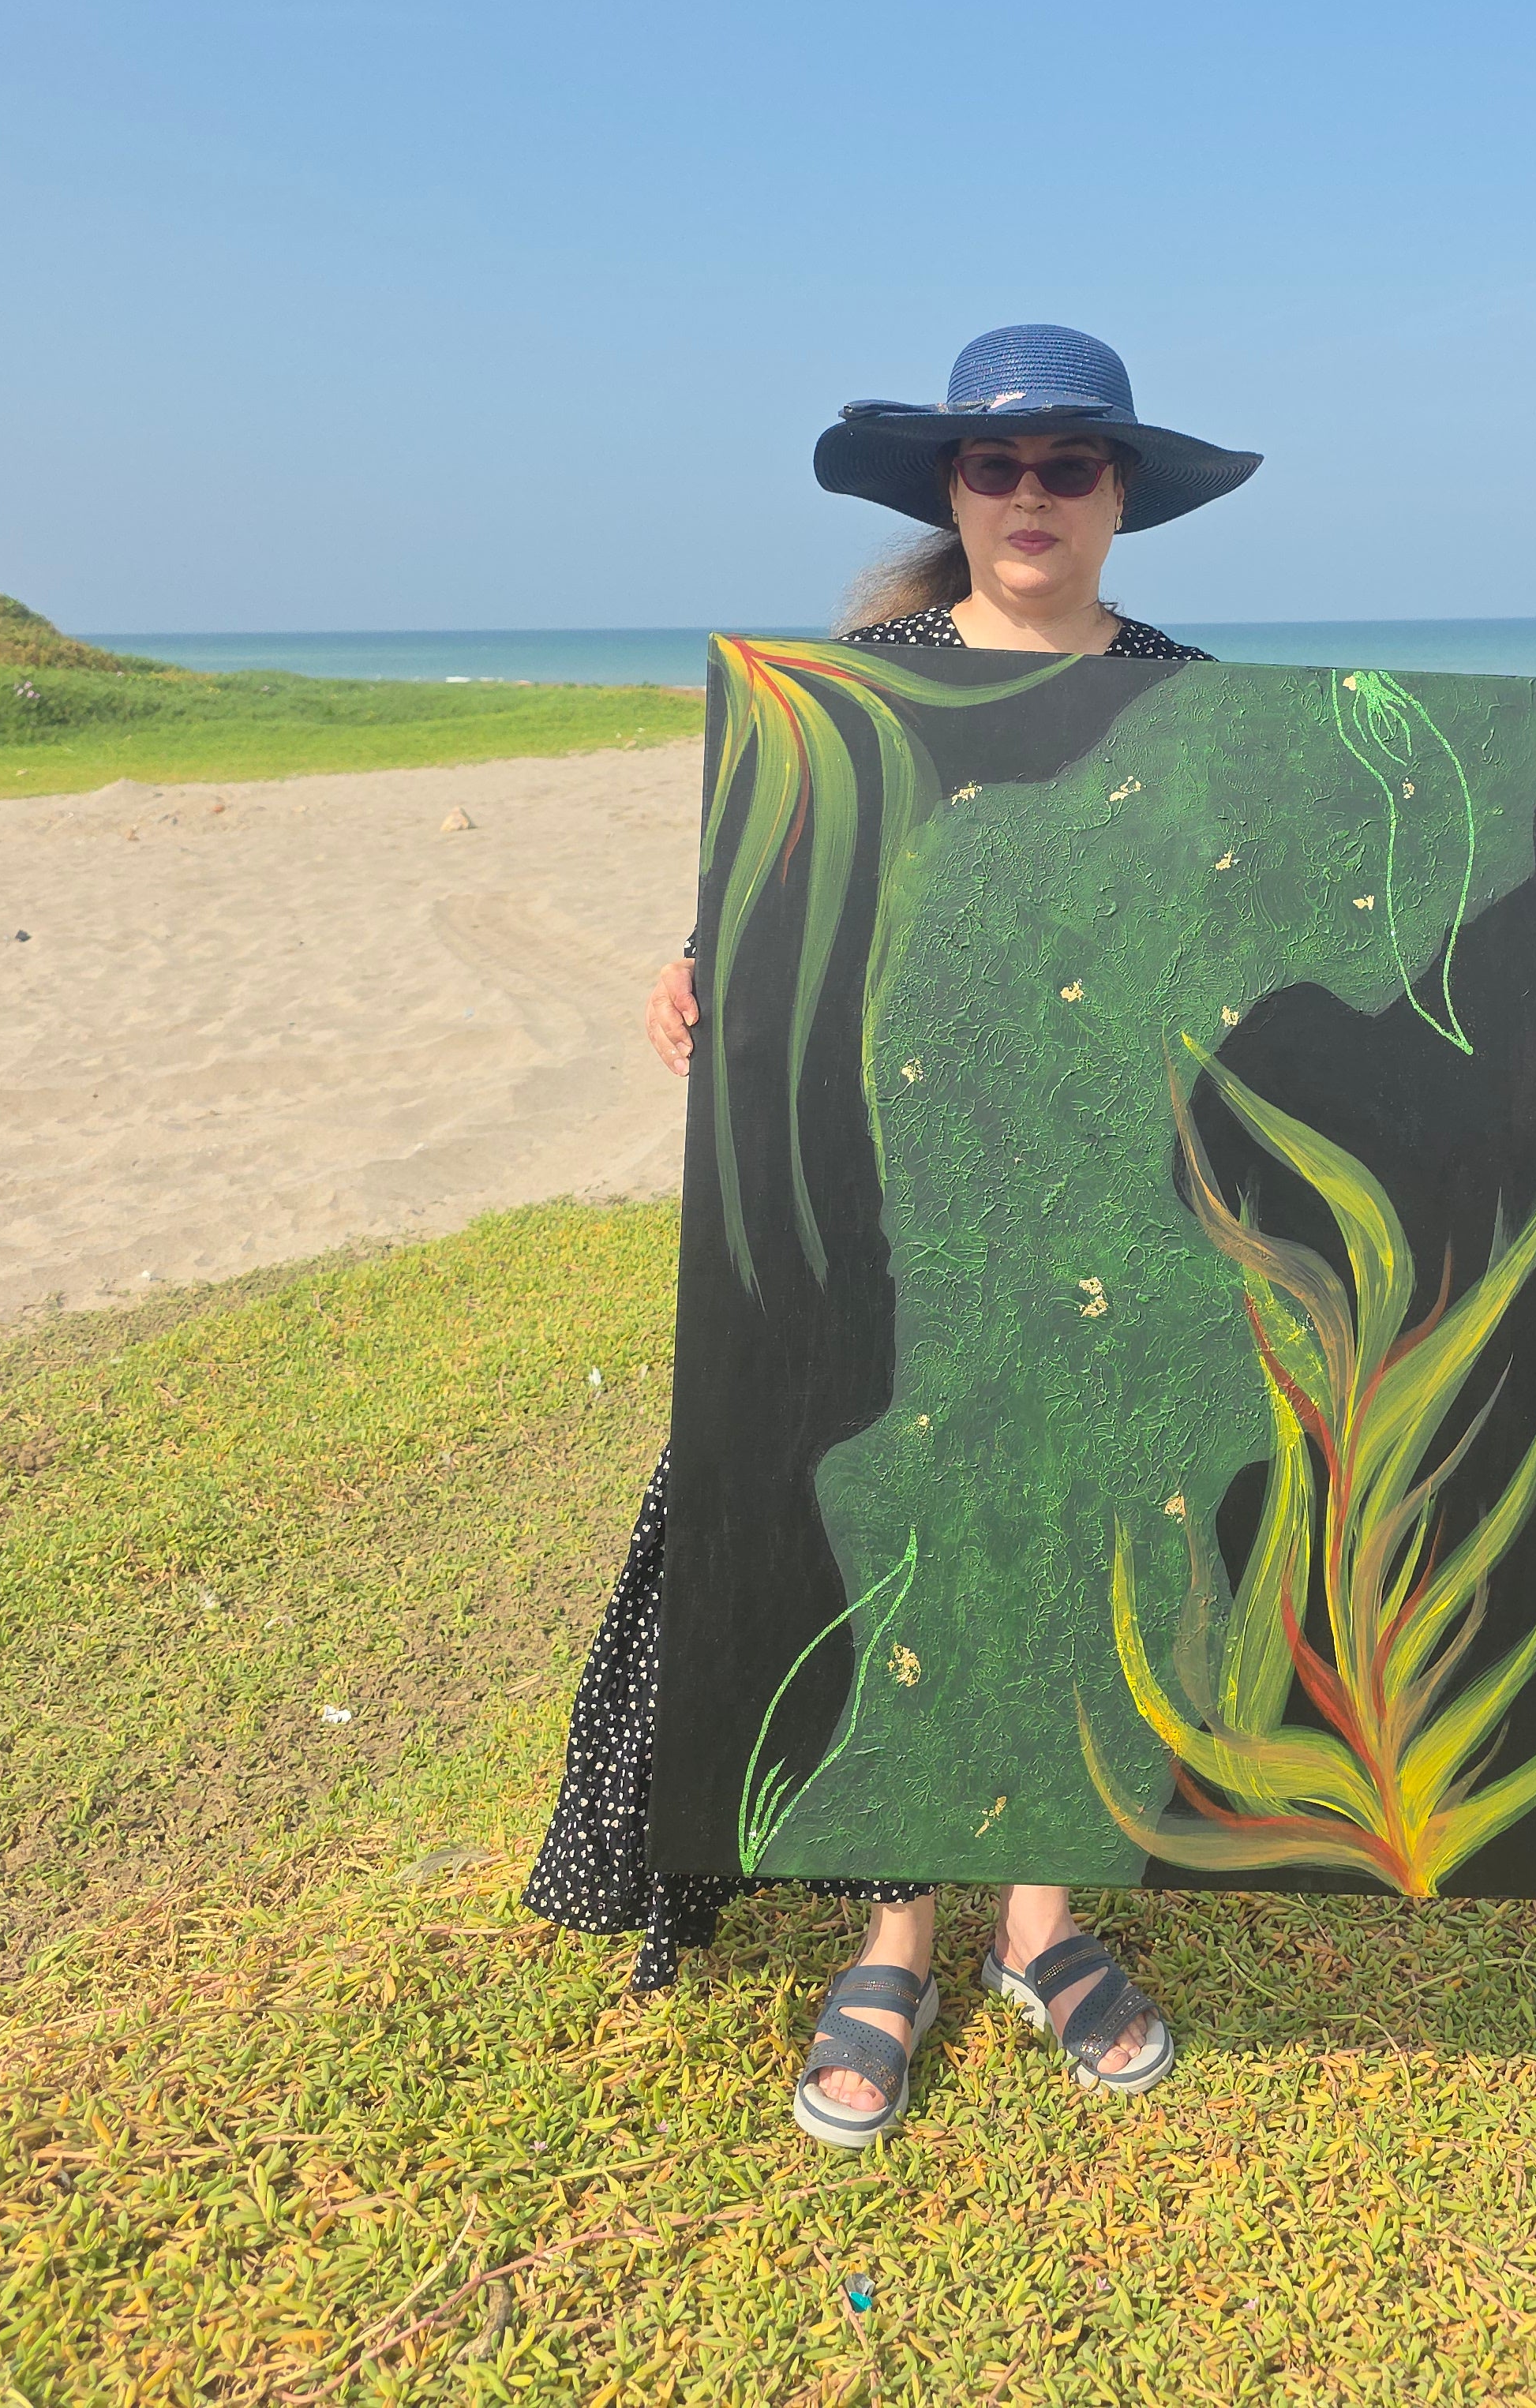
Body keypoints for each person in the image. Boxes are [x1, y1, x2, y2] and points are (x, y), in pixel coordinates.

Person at [525, 323, 1261, 2148]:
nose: (1031, 494)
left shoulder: (1199, 693)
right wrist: (703, 963)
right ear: (952, 488)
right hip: (891, 1178)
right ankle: (896, 1934)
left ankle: (1045, 1921)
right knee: (906, 1525)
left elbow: (1244, 954)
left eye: (1070, 464)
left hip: (1113, 1187)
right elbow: (776, 889)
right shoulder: (860, 684)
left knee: (1082, 1524)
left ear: (1121, 496)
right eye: (998, 465)